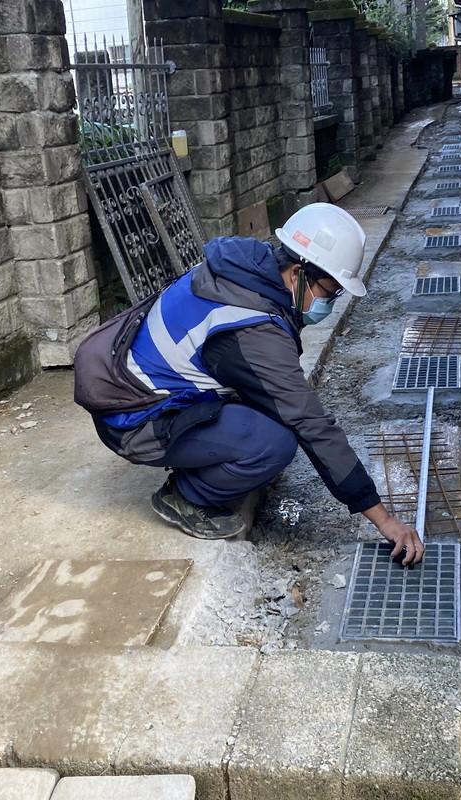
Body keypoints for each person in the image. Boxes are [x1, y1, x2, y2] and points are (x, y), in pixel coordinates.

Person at [73, 203, 424, 566]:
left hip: (141, 394)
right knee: (275, 442)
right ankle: (185, 497)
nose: (328, 304)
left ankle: (202, 459)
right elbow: (310, 423)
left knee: (270, 411)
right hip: (135, 422)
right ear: (297, 273)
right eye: (328, 292)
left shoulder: (245, 271)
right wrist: (382, 518)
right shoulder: (252, 328)